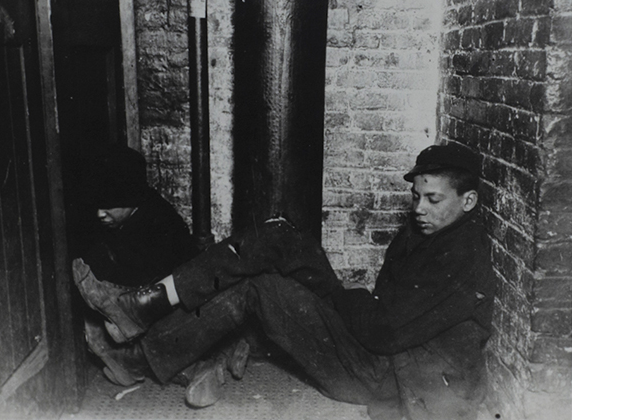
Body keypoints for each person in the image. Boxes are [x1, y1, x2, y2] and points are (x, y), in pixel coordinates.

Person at [72, 143, 496, 420]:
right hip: (371, 346)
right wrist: (342, 298)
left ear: (469, 201)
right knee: (278, 237)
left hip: (387, 374)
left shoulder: (462, 254)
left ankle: (141, 326)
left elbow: (382, 330)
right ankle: (145, 311)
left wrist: (338, 296)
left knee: (262, 284)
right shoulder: (427, 233)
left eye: (433, 199)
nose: (419, 208)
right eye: (416, 197)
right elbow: (379, 314)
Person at [74, 144, 250, 397]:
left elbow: (163, 288)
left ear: (130, 199)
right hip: (152, 307)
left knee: (164, 335)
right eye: (97, 206)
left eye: (110, 206)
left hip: (183, 306)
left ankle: (209, 357)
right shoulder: (115, 223)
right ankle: (215, 357)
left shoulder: (159, 224)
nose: (100, 214)